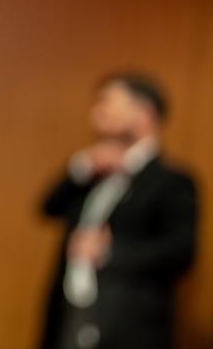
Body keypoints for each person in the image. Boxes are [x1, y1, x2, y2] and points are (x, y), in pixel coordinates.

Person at [40, 74, 198, 349]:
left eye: (108, 103)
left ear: (144, 113)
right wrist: (82, 166)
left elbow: (181, 252)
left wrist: (110, 252)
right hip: (69, 318)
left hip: (127, 327)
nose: (97, 112)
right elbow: (48, 207)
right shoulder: (93, 173)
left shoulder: (172, 182)